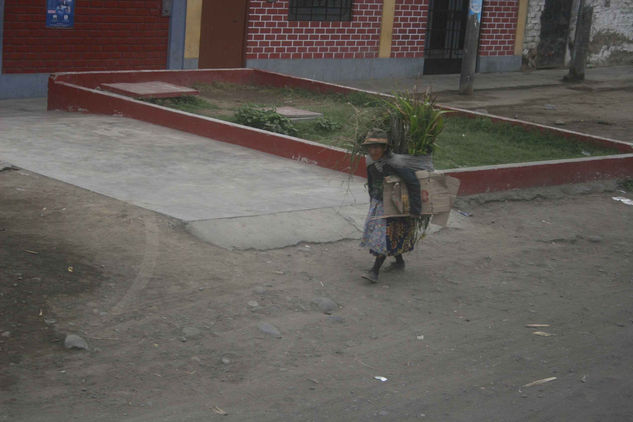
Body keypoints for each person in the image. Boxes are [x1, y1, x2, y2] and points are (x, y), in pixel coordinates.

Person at [360, 129, 422, 283]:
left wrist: (415, 209)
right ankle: (399, 262)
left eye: (377, 147)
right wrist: (372, 199)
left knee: (382, 236)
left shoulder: (395, 163)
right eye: (371, 147)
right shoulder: (370, 161)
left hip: (395, 204)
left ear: (385, 148)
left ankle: (374, 271)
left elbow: (413, 183)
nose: (373, 151)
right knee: (389, 235)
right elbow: (371, 180)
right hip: (378, 202)